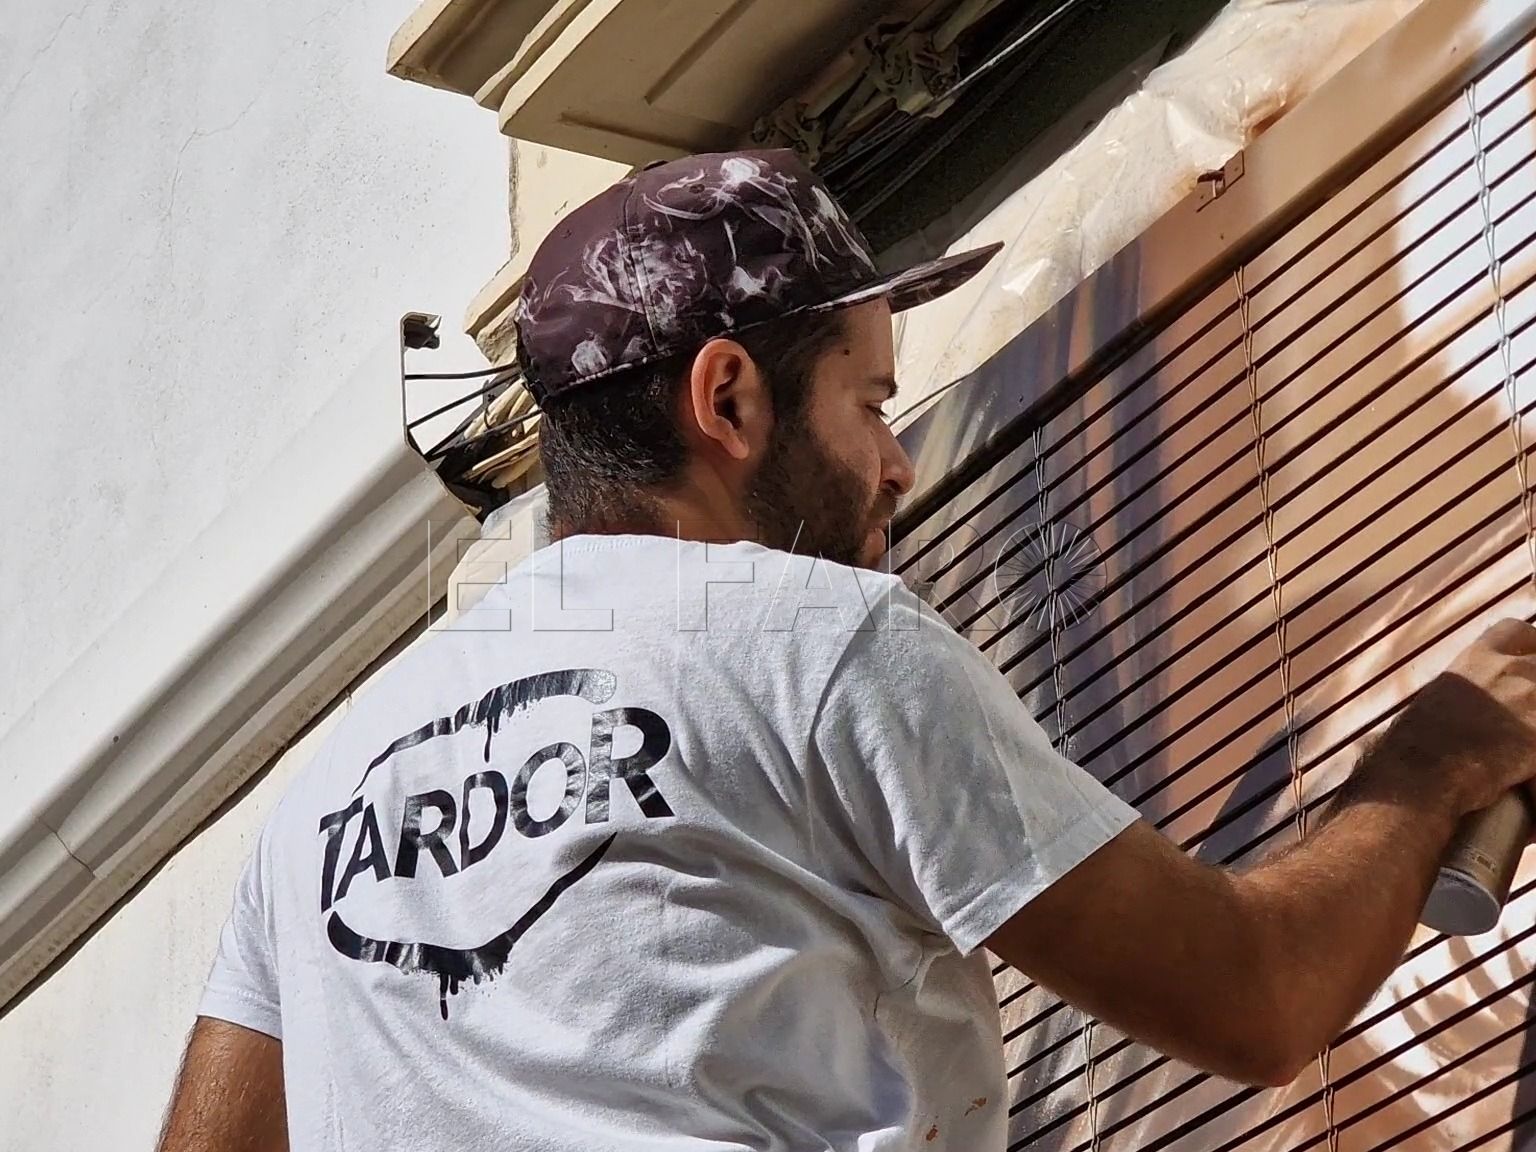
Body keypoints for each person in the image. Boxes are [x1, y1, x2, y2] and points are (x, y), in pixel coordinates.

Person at [157, 149, 1536, 1152]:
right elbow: (1255, 999)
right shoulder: (813, 643)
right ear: (727, 398)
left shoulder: (322, 799)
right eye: (869, 403)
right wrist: (1432, 760)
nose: (897, 465)